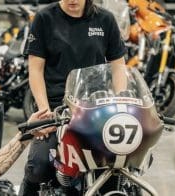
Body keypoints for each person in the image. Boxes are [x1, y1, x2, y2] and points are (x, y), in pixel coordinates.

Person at [19, 0, 127, 195]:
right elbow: (35, 70)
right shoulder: (44, 18)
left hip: (96, 109)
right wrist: (45, 111)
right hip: (57, 109)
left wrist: (120, 101)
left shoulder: (105, 19)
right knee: (39, 166)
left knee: (117, 167)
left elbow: (118, 66)